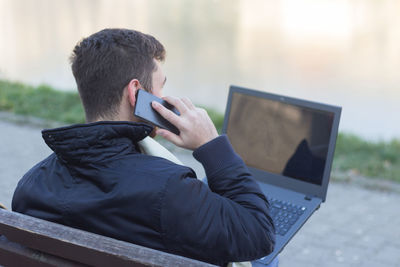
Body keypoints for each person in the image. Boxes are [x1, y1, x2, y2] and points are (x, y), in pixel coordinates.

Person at [12, 28, 275, 266]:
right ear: (136, 93)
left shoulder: (31, 187)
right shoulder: (170, 190)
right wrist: (211, 145)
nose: (164, 100)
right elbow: (259, 233)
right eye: (161, 88)